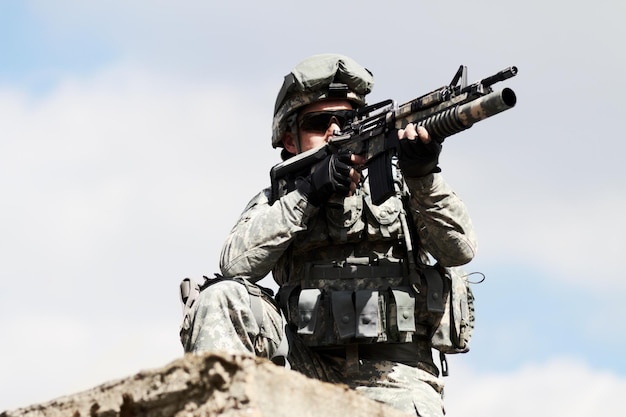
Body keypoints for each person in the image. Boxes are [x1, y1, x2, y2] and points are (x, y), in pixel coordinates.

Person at [179, 54, 477, 416]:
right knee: (221, 296)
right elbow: (235, 264)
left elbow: (460, 249)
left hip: (396, 377)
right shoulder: (282, 198)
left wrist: (423, 174)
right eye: (320, 122)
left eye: (347, 119)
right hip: (303, 370)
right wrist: (309, 194)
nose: (335, 130)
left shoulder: (403, 188)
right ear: (290, 139)